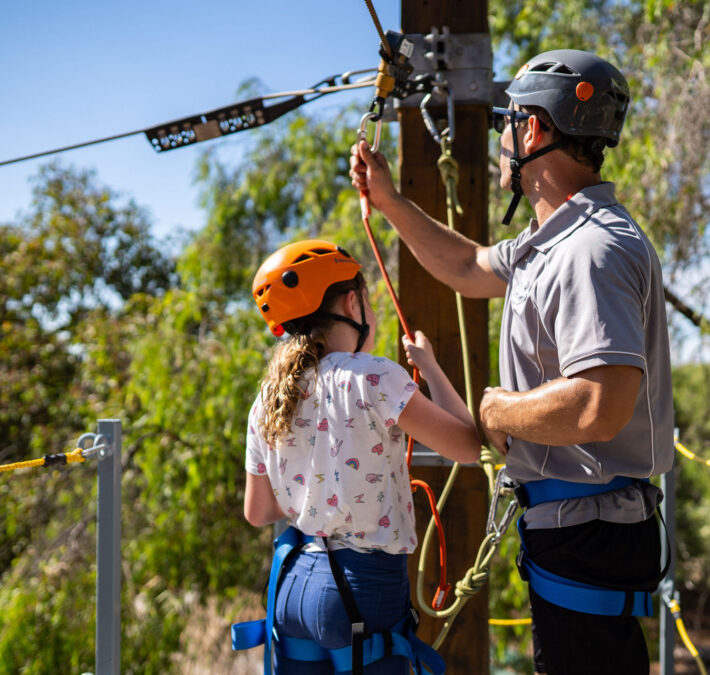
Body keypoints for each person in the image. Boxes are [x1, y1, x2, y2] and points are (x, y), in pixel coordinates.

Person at [350, 49, 673, 674]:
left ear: (533, 130)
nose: (501, 136)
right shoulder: (552, 240)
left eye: (507, 120)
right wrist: (387, 201)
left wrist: (498, 410)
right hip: (579, 525)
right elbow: (467, 266)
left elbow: (601, 405)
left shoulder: (590, 249)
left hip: (587, 529)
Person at [242, 239, 480, 674]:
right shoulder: (373, 376)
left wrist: (313, 493)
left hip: (293, 584)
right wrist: (430, 367)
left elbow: (258, 512)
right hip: (362, 586)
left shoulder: (268, 399)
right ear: (351, 303)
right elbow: (467, 445)